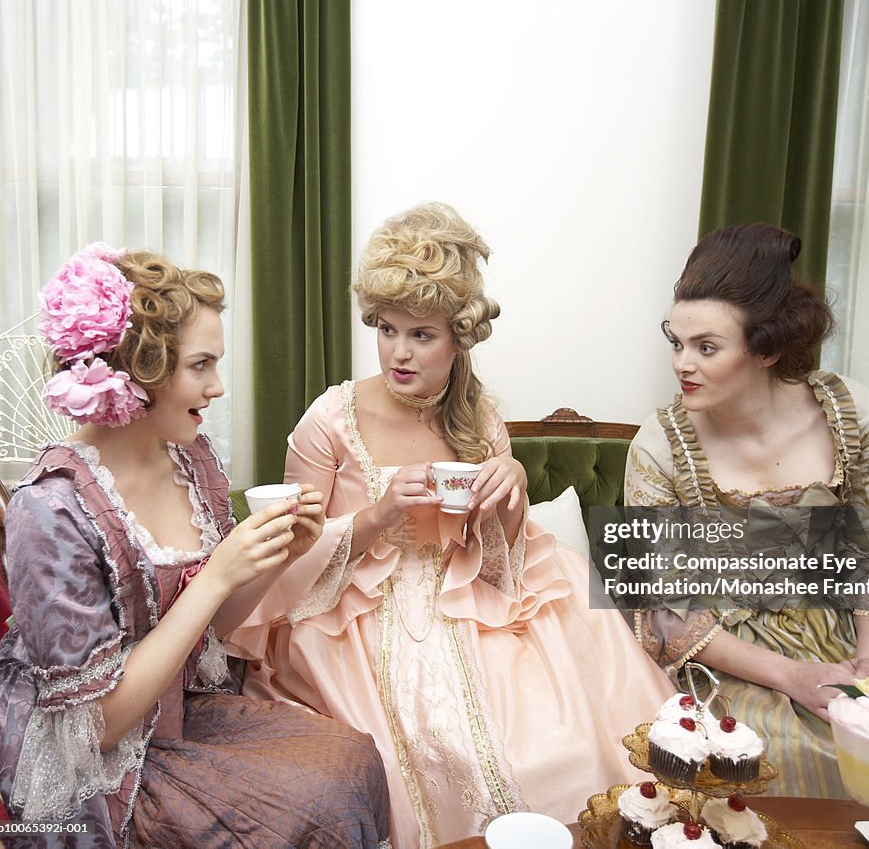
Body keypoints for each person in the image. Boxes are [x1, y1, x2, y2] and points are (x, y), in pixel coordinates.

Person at [226, 203, 678, 848]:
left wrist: (511, 491)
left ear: (458, 337)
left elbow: (503, 562)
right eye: (386, 330)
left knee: (556, 744)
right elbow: (288, 555)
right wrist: (379, 515)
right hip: (352, 616)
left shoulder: (481, 418)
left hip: (469, 600)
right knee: (407, 753)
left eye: (421, 335)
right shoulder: (331, 417)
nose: (398, 353)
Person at [0, 245, 390, 847]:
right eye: (201, 365)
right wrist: (219, 573)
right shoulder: (49, 509)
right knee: (309, 806)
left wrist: (281, 555)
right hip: (92, 758)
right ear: (136, 369)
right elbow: (97, 727)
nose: (218, 387)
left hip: (177, 707)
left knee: (352, 761)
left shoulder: (192, 460)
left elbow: (213, 630)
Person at [623, 222, 869, 800]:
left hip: (863, 621)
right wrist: (795, 678)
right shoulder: (658, 446)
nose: (682, 365)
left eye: (707, 347)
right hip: (736, 647)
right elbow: (669, 610)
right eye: (676, 342)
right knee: (770, 761)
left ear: (767, 349)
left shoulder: (853, 411)